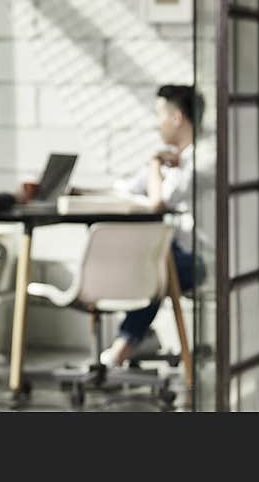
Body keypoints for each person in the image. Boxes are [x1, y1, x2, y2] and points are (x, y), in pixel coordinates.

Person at [100, 84, 205, 367]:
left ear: (177, 118)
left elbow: (159, 202)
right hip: (168, 256)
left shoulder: (200, 162)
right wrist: (84, 192)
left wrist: (154, 163)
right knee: (150, 262)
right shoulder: (167, 158)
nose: (156, 123)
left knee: (153, 266)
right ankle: (136, 338)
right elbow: (125, 188)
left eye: (160, 114)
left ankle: (125, 344)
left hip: (198, 260)